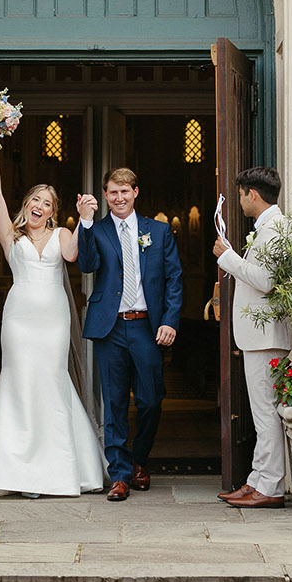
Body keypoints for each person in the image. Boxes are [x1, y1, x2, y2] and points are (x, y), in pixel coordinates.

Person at [0, 151, 104, 496]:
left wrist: (86, 218)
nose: (39, 206)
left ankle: (54, 469)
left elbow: (76, 256)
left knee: (51, 381)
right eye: (35, 199)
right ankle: (16, 471)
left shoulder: (62, 235)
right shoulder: (11, 238)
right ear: (26, 204)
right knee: (19, 383)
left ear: (54, 211)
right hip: (19, 321)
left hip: (53, 321)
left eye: (47, 203)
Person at [77, 167, 183, 501]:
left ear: (135, 192)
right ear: (105, 195)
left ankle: (140, 459)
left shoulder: (159, 231)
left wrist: (170, 320)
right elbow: (87, 264)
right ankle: (120, 475)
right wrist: (86, 222)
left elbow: (174, 279)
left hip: (147, 327)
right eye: (112, 192)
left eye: (124, 192)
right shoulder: (99, 229)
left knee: (151, 399)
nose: (119, 198)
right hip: (111, 327)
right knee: (115, 402)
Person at [213, 166, 292, 509]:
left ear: (253, 194)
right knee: (263, 411)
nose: (241, 200)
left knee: (266, 413)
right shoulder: (266, 228)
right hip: (261, 336)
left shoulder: (276, 229)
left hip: (266, 336)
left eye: (242, 194)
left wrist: (227, 257)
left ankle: (271, 486)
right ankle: (259, 479)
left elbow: (266, 280)